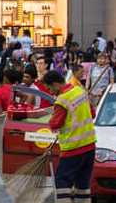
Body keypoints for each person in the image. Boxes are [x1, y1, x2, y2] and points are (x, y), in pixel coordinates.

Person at [43, 70, 96, 203]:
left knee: (62, 182)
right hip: (90, 147)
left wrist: (50, 119)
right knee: (83, 183)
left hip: (73, 149)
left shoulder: (62, 100)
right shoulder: (80, 92)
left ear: (55, 84)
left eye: (49, 89)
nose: (51, 93)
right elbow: (92, 113)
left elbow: (55, 124)